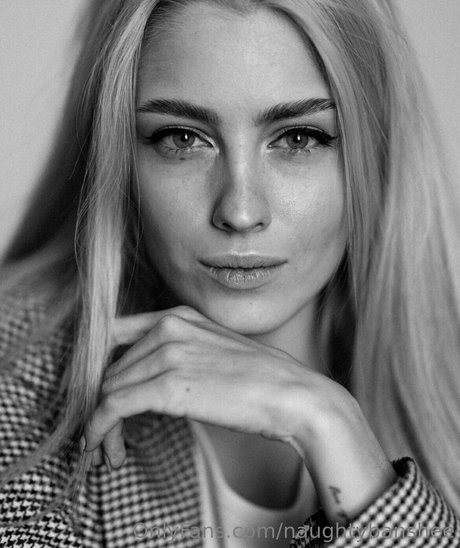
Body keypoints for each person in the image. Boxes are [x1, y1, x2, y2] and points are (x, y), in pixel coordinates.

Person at [0, 0, 459, 546]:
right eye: (182, 138)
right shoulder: (18, 375)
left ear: (376, 155)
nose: (240, 212)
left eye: (298, 138)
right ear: (116, 154)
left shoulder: (447, 401)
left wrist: (329, 427)